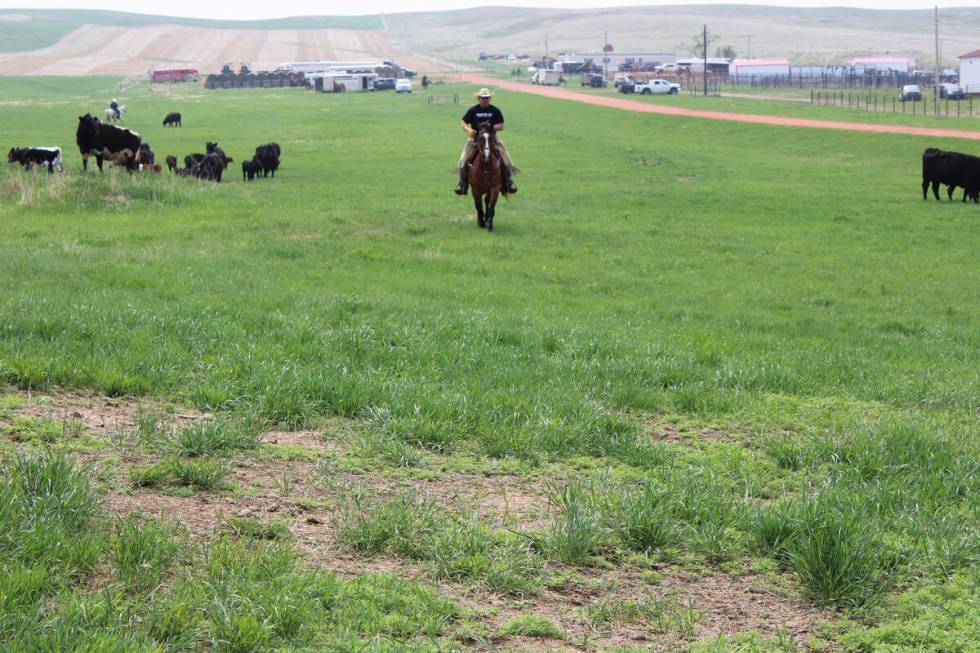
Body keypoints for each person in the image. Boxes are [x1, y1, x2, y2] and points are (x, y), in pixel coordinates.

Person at [454, 88, 517, 195]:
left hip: (492, 139)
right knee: (462, 160)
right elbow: (463, 122)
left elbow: (501, 125)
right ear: (479, 98)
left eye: (487, 98)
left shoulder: (495, 110)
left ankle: (508, 182)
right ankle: (462, 183)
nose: (485, 100)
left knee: (507, 160)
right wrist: (468, 130)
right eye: (483, 98)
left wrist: (492, 127)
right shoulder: (473, 110)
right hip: (475, 139)